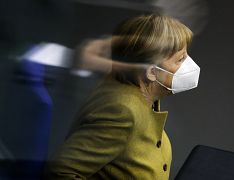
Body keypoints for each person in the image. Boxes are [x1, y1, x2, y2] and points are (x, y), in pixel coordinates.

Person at [44, 14, 200, 179]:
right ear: (152, 72)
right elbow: (60, 173)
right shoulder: (122, 111)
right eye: (180, 59)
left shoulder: (142, 99)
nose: (188, 64)